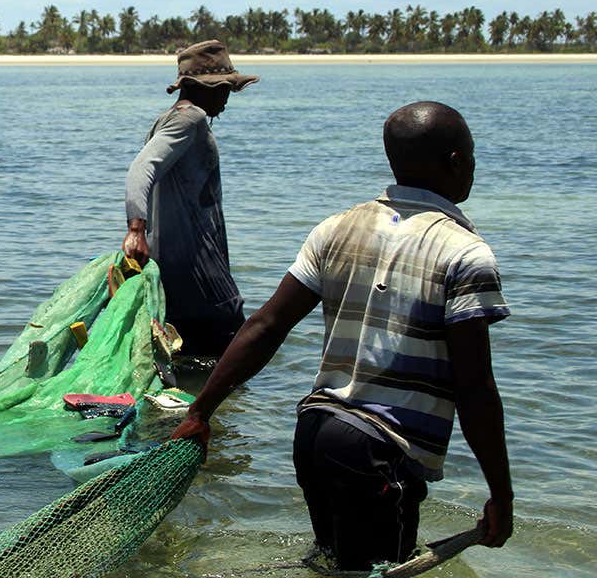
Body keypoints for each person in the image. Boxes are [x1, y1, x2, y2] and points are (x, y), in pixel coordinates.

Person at [171, 101, 514, 570]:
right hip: (377, 450)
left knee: (338, 567)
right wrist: (501, 494)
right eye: (471, 155)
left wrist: (200, 410)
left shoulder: (336, 228)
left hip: (314, 435)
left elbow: (266, 326)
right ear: (456, 161)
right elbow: (475, 388)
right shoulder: (465, 253)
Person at [122, 40, 258, 357]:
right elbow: (142, 168)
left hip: (176, 284)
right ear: (201, 88)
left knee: (184, 375)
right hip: (204, 285)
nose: (226, 97)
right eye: (223, 88)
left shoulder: (167, 119)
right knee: (229, 377)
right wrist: (137, 230)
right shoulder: (190, 119)